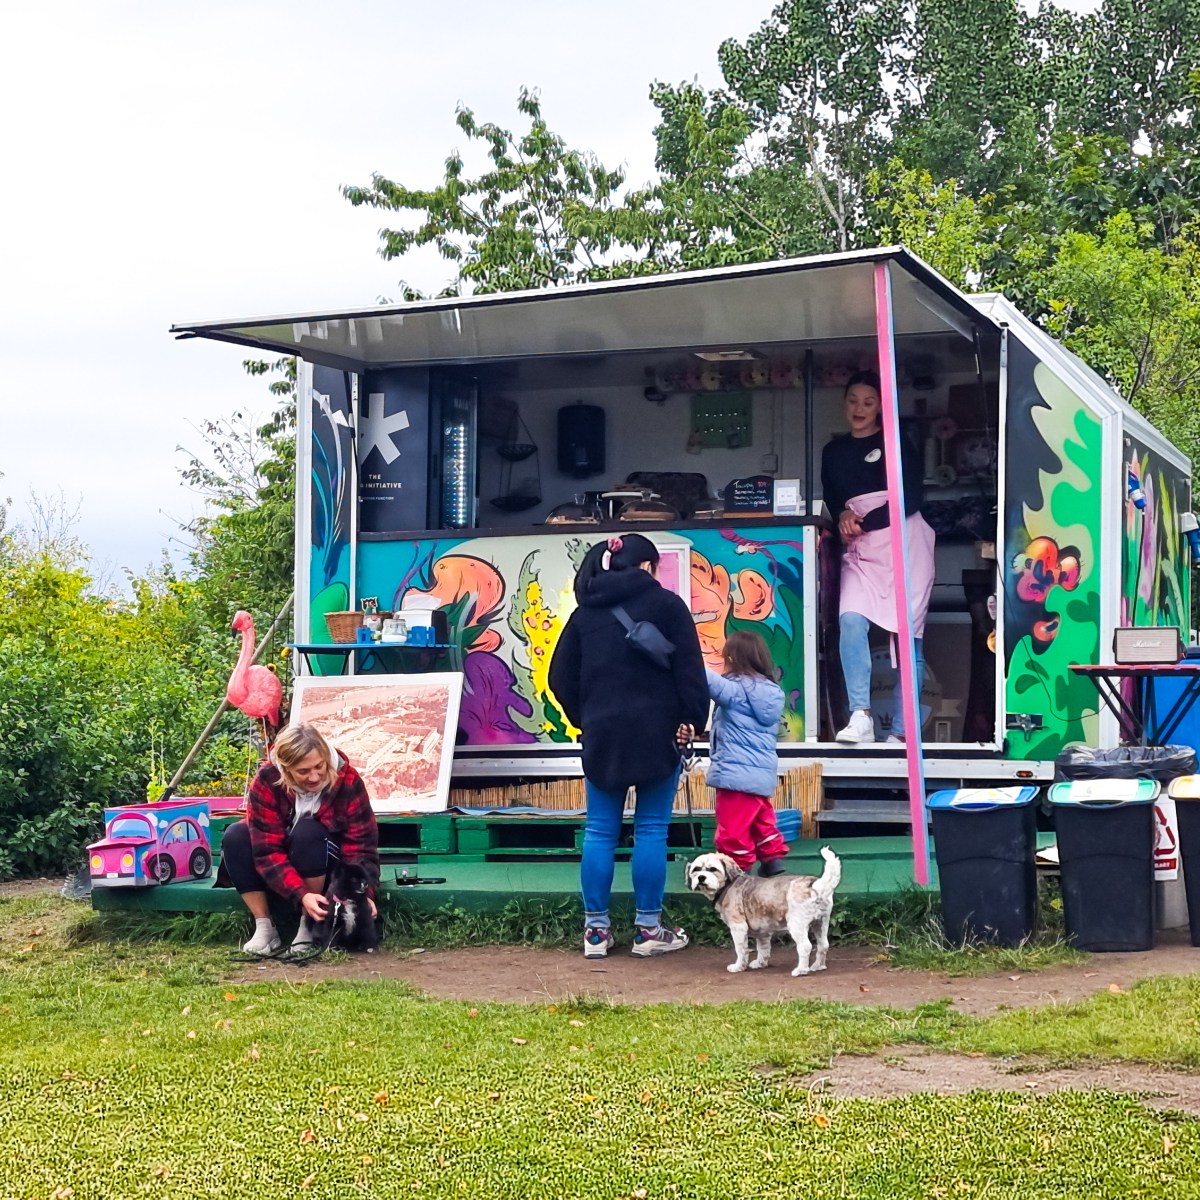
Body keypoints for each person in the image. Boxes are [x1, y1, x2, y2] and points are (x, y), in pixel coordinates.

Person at [549, 533, 710, 959]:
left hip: (603, 735)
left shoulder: (586, 612)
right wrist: (692, 719)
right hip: (658, 732)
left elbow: (558, 678)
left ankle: (596, 934)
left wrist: (585, 718)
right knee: (651, 830)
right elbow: (690, 671)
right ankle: (648, 930)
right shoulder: (668, 606)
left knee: (600, 831)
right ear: (648, 567)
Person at [821, 370, 935, 745]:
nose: (859, 408)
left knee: (907, 639)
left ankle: (903, 733)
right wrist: (842, 516)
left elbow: (913, 497)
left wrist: (865, 521)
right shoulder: (832, 451)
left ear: (881, 406)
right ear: (843, 403)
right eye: (853, 400)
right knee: (850, 621)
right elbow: (834, 498)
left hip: (904, 543)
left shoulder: (897, 442)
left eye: (869, 402)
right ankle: (861, 716)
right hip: (861, 549)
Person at [216, 722, 380, 956]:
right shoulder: (266, 781)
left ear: (325, 756)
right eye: (303, 771)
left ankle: (308, 924)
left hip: (325, 865)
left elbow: (362, 847)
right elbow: (267, 852)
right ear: (285, 769)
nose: (314, 777)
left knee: (308, 831)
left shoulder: (348, 780)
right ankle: (264, 926)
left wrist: (364, 895)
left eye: (319, 767)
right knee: (235, 836)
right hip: (281, 869)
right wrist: (301, 894)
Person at [679, 629, 788, 876]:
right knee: (761, 821)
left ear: (734, 658)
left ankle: (736, 871)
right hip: (760, 775)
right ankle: (773, 860)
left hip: (735, 775)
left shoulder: (737, 690)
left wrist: (683, 655)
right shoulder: (771, 693)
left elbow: (704, 678)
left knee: (733, 828)